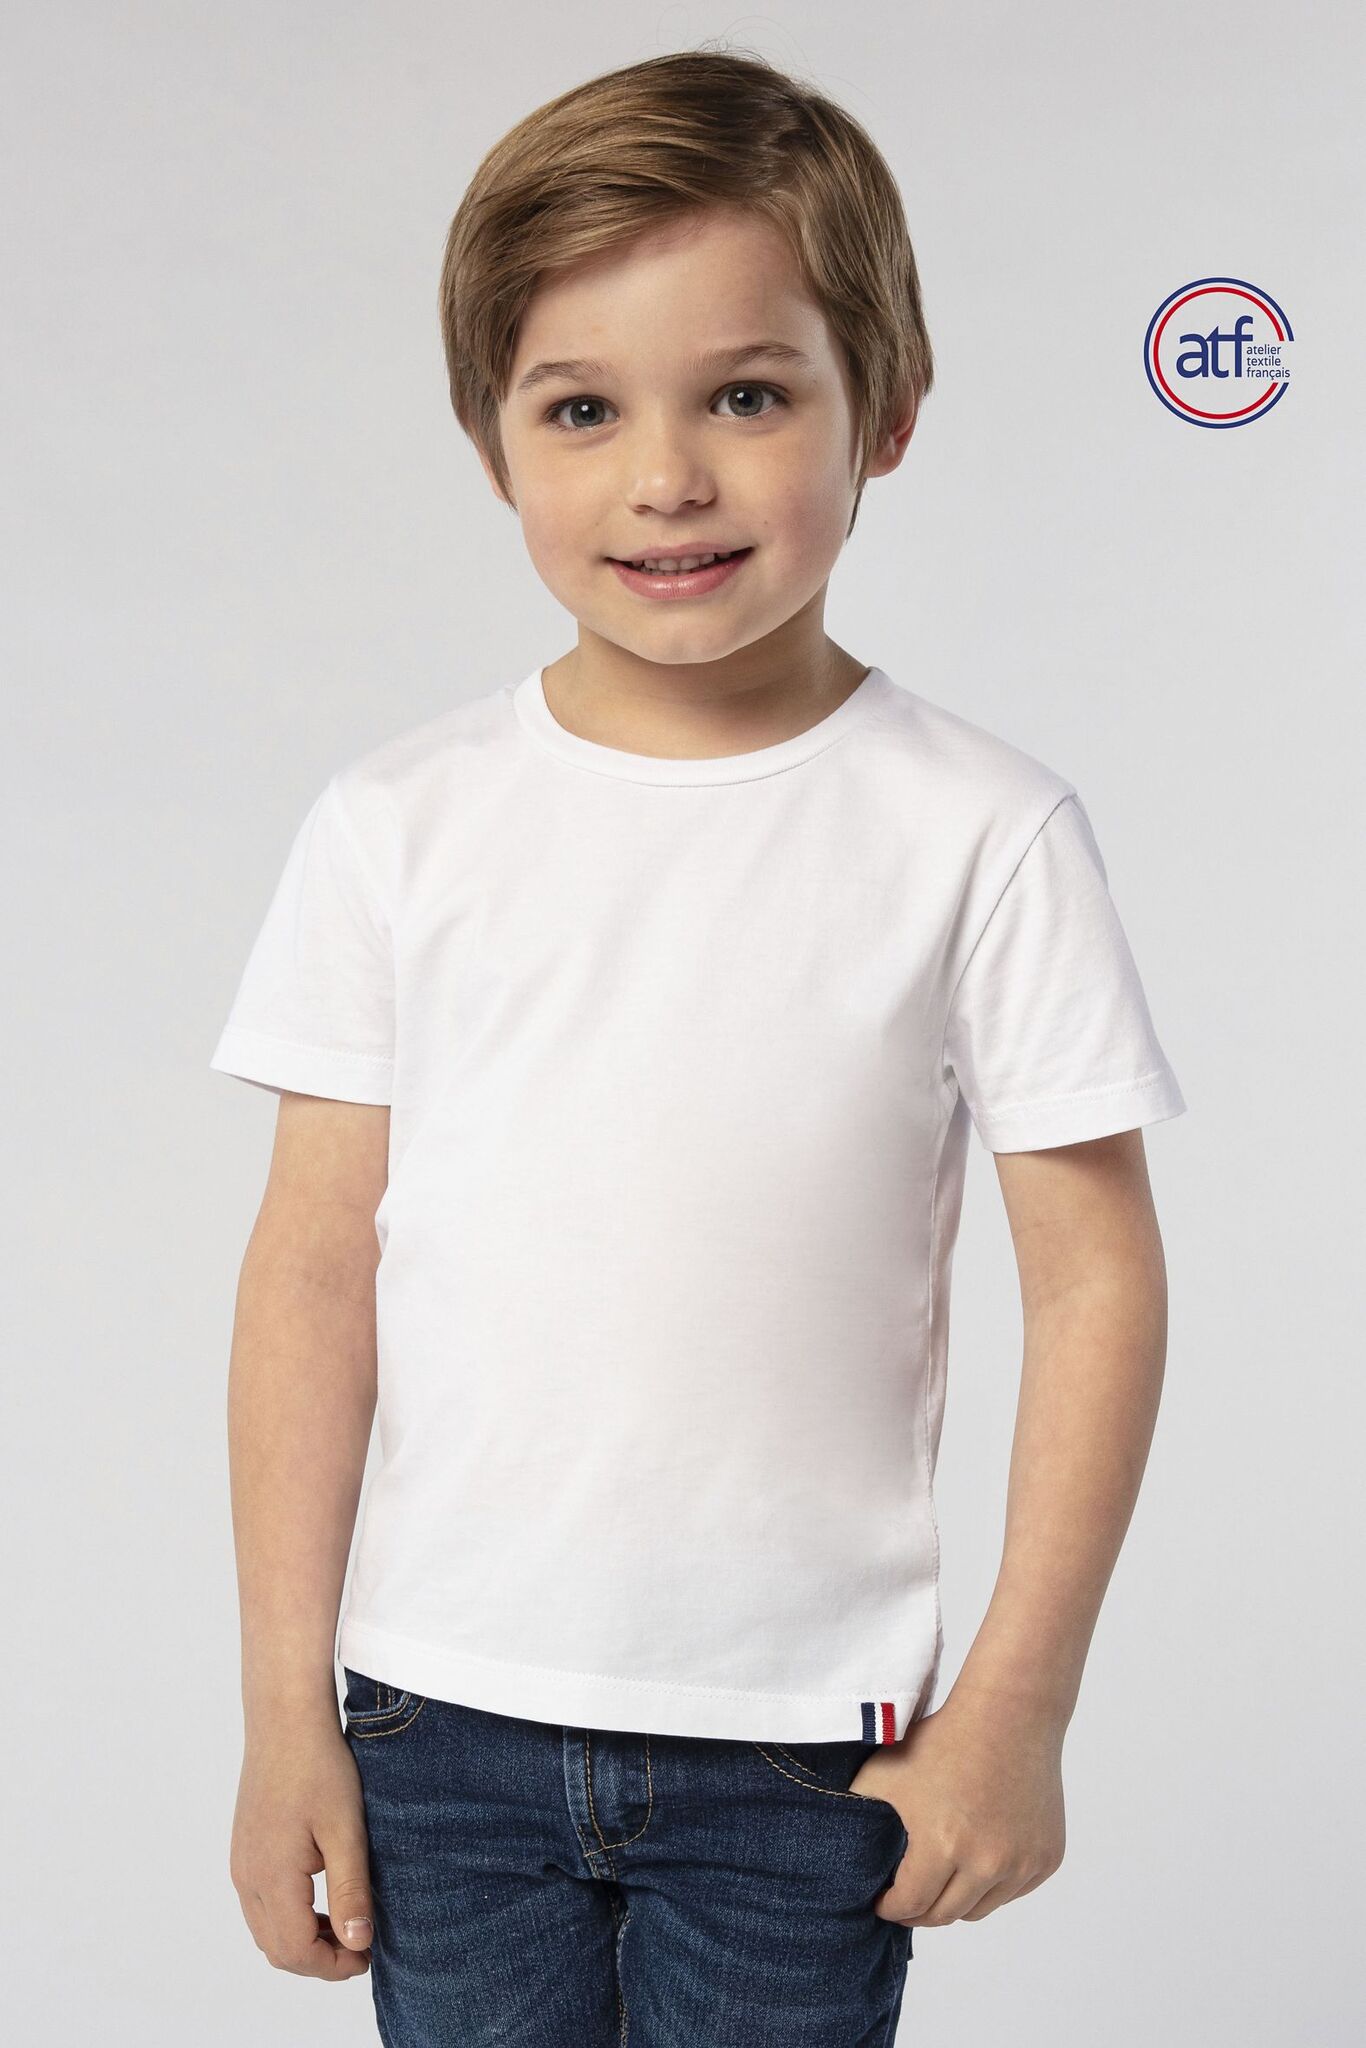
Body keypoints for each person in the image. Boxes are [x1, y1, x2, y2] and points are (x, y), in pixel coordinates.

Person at [211, 47, 1187, 2048]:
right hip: (434, 1724)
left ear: (884, 405)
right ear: (492, 442)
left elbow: (1093, 1279)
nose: (663, 478)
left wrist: (1019, 1699)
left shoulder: (978, 832)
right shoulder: (397, 826)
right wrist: (279, 1708)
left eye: (745, 395)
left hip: (801, 1746)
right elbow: (312, 1268)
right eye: (581, 409)